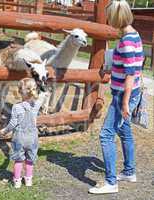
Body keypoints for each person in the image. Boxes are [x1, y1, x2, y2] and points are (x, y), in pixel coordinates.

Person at [89, 0, 144, 194]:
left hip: (123, 94)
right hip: (129, 91)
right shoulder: (134, 35)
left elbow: (130, 74)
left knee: (106, 135)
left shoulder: (127, 41)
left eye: (110, 16)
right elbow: (135, 66)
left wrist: (126, 103)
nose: (109, 20)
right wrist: (111, 68)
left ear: (116, 17)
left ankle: (111, 182)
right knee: (125, 131)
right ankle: (129, 171)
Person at [0, 78, 47, 188]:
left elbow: (12, 124)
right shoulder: (36, 105)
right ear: (34, 91)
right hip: (32, 138)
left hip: (19, 138)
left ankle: (17, 182)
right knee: (30, 160)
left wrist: (4, 131)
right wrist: (40, 86)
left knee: (18, 160)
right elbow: (43, 94)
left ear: (20, 91)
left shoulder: (16, 107)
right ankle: (28, 180)